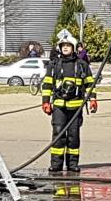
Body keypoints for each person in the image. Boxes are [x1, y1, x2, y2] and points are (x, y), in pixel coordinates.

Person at [41, 34, 96, 174]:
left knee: (73, 137)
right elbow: (47, 84)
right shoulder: (54, 65)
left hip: (76, 107)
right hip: (59, 107)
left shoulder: (82, 65)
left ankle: (72, 164)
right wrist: (46, 102)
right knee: (58, 135)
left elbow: (90, 83)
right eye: (63, 46)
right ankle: (56, 165)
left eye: (68, 46)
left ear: (73, 48)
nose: (65, 48)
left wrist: (93, 99)